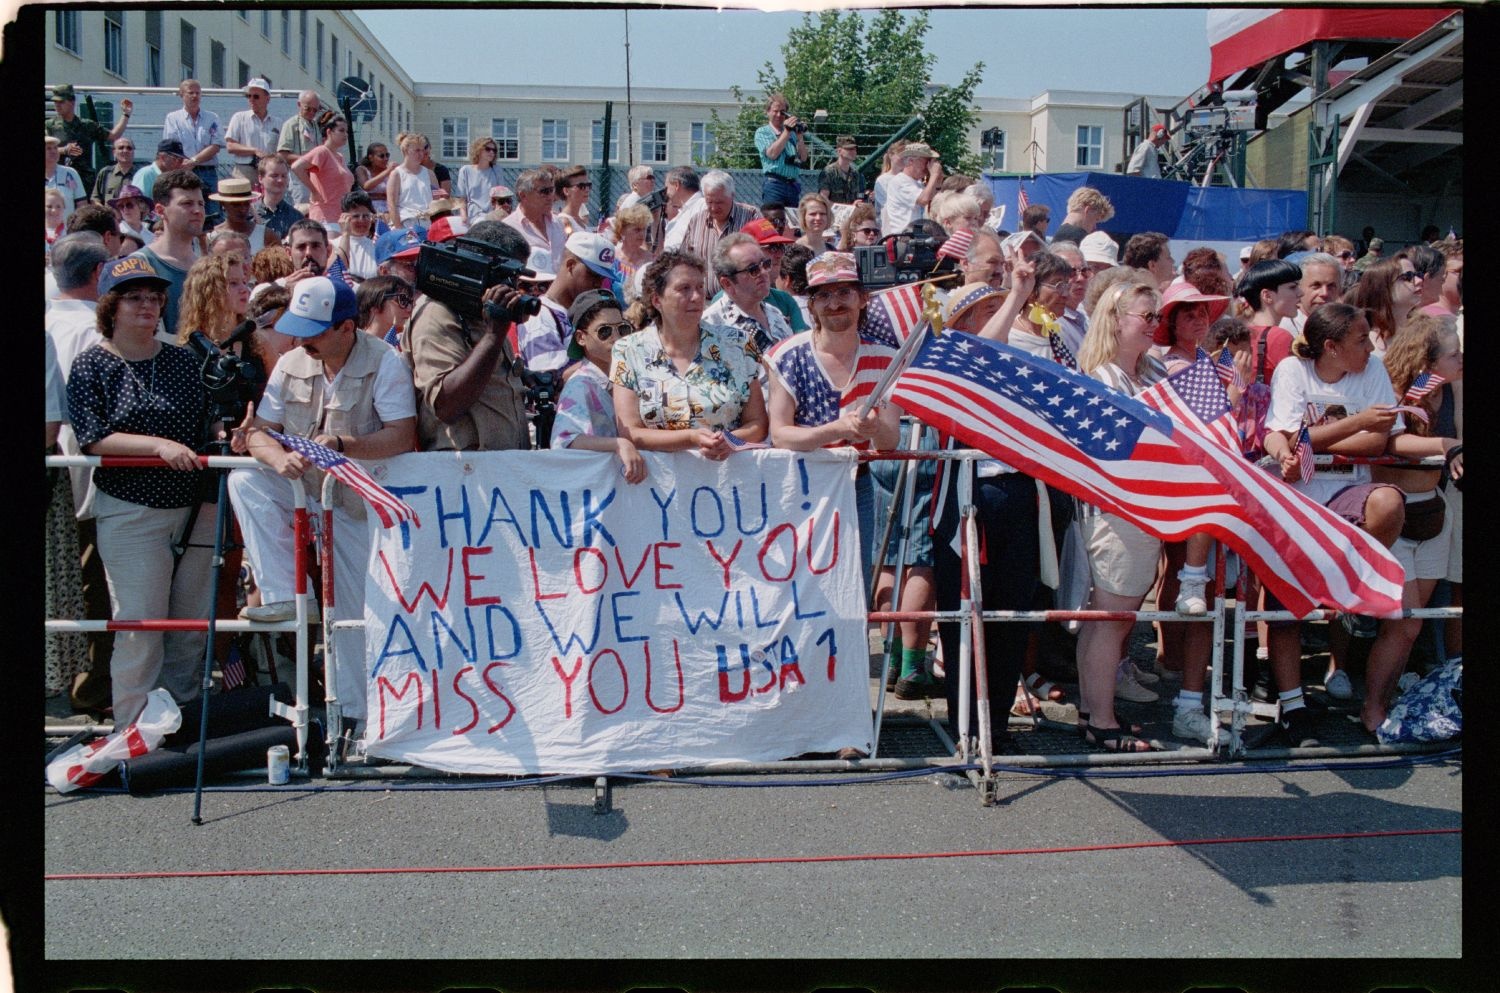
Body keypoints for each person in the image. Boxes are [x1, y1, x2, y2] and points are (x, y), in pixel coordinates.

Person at [231, 275, 417, 738]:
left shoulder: (386, 362)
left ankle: (359, 718)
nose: (301, 339)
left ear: (347, 327)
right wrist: (277, 456)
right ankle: (282, 596)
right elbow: (259, 431)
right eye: (298, 327)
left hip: (356, 501)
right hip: (303, 487)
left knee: (354, 612)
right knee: (245, 477)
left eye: (313, 330)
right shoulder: (292, 361)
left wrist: (341, 444)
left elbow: (402, 435)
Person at [1262, 303, 1455, 739]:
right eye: (1360, 340)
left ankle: (1353, 582)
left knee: (1389, 500)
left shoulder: (1371, 372)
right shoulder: (1293, 370)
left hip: (1350, 495)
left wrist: (1330, 434)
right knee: (1284, 609)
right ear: (1330, 347)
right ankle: (1293, 707)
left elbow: (1376, 441)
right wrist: (1355, 423)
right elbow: (1287, 437)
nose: (1370, 348)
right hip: (1297, 501)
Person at [65, 256, 214, 729]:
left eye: (154, 297)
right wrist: (158, 445)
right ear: (111, 305)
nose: (147, 305)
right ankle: (133, 726)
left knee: (189, 627)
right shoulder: (92, 363)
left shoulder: (181, 359)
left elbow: (207, 424)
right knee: (141, 626)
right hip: (131, 508)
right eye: (134, 297)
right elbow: (92, 435)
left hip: (193, 506)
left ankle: (181, 723)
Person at [1072, 279, 1170, 751]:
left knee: (1107, 619)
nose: (1155, 324)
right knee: (1110, 618)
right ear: (1114, 320)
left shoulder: (1151, 373)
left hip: (1143, 508)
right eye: (1145, 316)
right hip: (1117, 509)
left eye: (1157, 317)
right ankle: (1102, 722)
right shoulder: (1101, 377)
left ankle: (1095, 712)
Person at [764, 251, 899, 583]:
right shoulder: (786, 356)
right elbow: (781, 435)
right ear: (811, 304)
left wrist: (873, 426)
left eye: (844, 292)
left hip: (856, 484)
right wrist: (837, 429)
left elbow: (890, 441)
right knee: (798, 584)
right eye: (823, 295)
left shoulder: (886, 359)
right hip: (798, 483)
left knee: (854, 584)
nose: (834, 303)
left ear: (863, 298)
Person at [611, 249, 768, 455]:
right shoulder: (628, 351)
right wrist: (690, 438)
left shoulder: (738, 343)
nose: (696, 296)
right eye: (684, 289)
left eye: (700, 288)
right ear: (657, 300)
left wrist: (729, 441)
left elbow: (758, 423)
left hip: (730, 477)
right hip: (657, 483)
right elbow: (630, 431)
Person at [402, 220, 533, 452]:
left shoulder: (482, 312)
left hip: (501, 469)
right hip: (463, 473)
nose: (513, 288)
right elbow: (446, 405)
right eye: (509, 278)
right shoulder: (436, 313)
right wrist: (494, 335)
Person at [551, 289, 645, 483]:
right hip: (597, 488)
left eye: (623, 328)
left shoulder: (632, 374)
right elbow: (565, 441)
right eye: (604, 331)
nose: (616, 336)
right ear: (581, 338)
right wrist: (619, 444)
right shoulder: (580, 385)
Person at [515, 231, 616, 375]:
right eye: (594, 274)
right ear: (571, 265)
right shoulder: (540, 315)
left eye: (603, 278)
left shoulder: (584, 313)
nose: (598, 284)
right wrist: (608, 359)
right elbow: (549, 380)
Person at [131, 169, 207, 337]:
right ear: (160, 210)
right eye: (187, 203)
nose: (197, 210)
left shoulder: (206, 267)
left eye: (200, 204)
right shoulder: (141, 265)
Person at [668, 171, 760, 295]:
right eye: (709, 202)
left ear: (732, 195)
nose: (714, 208)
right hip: (705, 301)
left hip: (743, 300)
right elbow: (684, 259)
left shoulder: (751, 216)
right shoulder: (696, 221)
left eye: (719, 202)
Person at [46, 83, 132, 197]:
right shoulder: (50, 125)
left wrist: (126, 115)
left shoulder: (86, 125)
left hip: (84, 181)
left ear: (72, 102)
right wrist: (64, 150)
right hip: (57, 178)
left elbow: (113, 136)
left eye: (61, 102)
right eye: (55, 102)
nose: (57, 105)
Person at [161, 79, 223, 224]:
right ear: (181, 95)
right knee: (186, 212)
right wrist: (185, 164)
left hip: (208, 172)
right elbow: (171, 147)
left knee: (212, 214)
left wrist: (194, 160)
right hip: (183, 172)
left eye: (198, 93)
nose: (195, 96)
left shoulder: (212, 118)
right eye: (191, 93)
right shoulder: (173, 118)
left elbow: (216, 145)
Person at [291, 111, 355, 229]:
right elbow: (297, 167)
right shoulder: (322, 151)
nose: (345, 135)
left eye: (347, 131)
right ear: (329, 132)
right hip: (325, 217)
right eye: (341, 131)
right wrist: (314, 191)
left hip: (341, 218)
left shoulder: (339, 157)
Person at [1344, 257, 1418, 356]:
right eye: (1408, 277)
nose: (1419, 280)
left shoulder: (1422, 334)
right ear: (1382, 288)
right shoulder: (1366, 345)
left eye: (1418, 275)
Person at [224, 77, 280, 186]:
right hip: (244, 171)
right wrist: (254, 151)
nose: (251, 99)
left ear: (267, 99)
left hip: (268, 172)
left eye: (256, 96)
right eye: (249, 96)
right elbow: (230, 146)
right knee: (242, 202)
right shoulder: (239, 117)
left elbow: (281, 150)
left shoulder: (277, 122)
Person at [502, 169, 567, 264]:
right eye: (544, 191)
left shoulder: (558, 223)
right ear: (523, 195)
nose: (550, 197)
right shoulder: (508, 229)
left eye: (551, 190)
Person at [755, 93, 808, 208]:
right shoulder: (763, 132)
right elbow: (772, 154)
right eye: (775, 111)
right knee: (774, 221)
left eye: (783, 112)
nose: (779, 115)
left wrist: (800, 137)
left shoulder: (793, 134)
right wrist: (787, 131)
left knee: (792, 224)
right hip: (775, 184)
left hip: (792, 185)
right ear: (768, 112)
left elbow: (803, 158)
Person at [880, 143, 943, 236]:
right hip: (904, 237)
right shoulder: (899, 181)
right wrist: (934, 175)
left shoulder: (918, 183)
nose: (928, 166)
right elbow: (923, 200)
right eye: (926, 161)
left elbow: (933, 203)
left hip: (918, 235)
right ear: (910, 161)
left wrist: (938, 183)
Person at [277, 90, 322, 207]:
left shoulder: (315, 125)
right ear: (299, 105)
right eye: (308, 109)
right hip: (298, 177)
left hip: (314, 177)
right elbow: (282, 154)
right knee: (302, 210)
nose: (312, 112)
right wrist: (307, 161)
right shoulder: (291, 124)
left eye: (315, 110)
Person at [207, 175, 272, 254]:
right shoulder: (211, 237)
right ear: (223, 204)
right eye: (236, 205)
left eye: (246, 204)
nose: (243, 209)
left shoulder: (266, 235)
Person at [608, 204, 655, 303]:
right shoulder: (612, 258)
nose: (642, 234)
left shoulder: (650, 260)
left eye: (644, 229)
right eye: (637, 230)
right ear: (622, 231)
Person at [453, 136, 505, 224]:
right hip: (473, 217)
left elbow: (502, 196)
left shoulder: (497, 170)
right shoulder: (465, 170)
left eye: (494, 150)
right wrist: (464, 216)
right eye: (488, 149)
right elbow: (461, 198)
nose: (492, 152)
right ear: (479, 150)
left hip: (493, 217)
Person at [355, 274, 415, 349]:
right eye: (402, 300)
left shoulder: (405, 344)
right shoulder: (353, 345)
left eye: (410, 302)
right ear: (376, 304)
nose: (409, 309)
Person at [331, 190, 380, 281]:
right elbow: (339, 271)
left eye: (365, 216)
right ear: (344, 218)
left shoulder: (376, 245)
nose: (361, 220)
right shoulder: (333, 245)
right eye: (356, 216)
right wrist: (345, 233)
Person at [252, 156, 302, 242]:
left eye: (284, 176)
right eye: (274, 176)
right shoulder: (250, 214)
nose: (280, 180)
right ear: (260, 179)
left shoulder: (297, 218)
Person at [45, 137, 88, 222]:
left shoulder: (70, 173)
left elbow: (82, 205)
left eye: (55, 148)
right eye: (48, 148)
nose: (53, 151)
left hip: (66, 232)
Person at [353, 142, 397, 222]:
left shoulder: (391, 171)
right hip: (370, 209)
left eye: (387, 155)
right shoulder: (362, 170)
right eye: (381, 156)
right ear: (371, 158)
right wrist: (387, 171)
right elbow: (366, 186)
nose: (386, 159)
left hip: (389, 210)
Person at [818, 136, 866, 206]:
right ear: (839, 151)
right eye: (849, 149)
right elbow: (823, 199)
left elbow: (859, 196)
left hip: (852, 214)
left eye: (855, 149)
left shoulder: (855, 174)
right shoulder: (828, 172)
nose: (853, 151)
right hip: (833, 214)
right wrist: (845, 208)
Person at [90, 136, 138, 206]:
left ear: (133, 152)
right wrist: (105, 212)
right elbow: (95, 198)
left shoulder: (140, 174)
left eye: (129, 148)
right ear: (114, 152)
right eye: (121, 148)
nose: (125, 150)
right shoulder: (105, 172)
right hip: (109, 215)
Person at [556, 165, 596, 238]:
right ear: (566, 191)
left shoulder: (579, 221)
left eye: (588, 185)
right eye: (581, 186)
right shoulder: (563, 221)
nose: (587, 190)